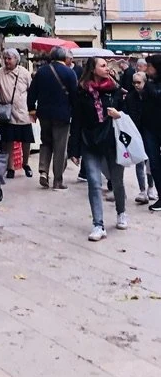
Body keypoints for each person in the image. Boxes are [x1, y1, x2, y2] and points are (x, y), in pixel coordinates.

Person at [69, 56, 127, 240]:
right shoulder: (81, 91)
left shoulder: (114, 88)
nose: (107, 68)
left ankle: (121, 212)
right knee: (94, 183)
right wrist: (74, 149)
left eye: (107, 65)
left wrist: (119, 114)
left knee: (116, 181)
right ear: (93, 69)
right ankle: (98, 224)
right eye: (103, 65)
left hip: (112, 141)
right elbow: (76, 121)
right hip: (90, 142)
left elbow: (126, 112)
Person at [28, 46, 78, 190]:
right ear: (64, 58)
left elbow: (32, 92)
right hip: (62, 115)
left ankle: (43, 171)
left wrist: (32, 109)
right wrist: (74, 113)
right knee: (60, 147)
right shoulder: (70, 73)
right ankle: (57, 180)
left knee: (46, 142)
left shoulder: (41, 71)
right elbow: (74, 96)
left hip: (44, 114)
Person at [0, 48, 34, 178]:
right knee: (8, 141)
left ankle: (26, 163)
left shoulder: (24, 73)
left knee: (26, 140)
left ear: (16, 59)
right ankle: (10, 167)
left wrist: (33, 110)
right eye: (5, 58)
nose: (7, 61)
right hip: (7, 113)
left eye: (9, 58)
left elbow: (31, 91)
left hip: (23, 112)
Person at [124, 71, 156, 205]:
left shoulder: (151, 96)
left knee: (150, 162)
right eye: (134, 82)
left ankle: (150, 187)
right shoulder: (130, 97)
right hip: (136, 133)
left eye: (139, 82)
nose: (137, 85)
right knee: (139, 162)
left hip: (149, 133)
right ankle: (142, 190)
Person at [141, 54, 161, 211]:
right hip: (150, 130)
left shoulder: (150, 85)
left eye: (150, 66)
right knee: (153, 164)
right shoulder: (148, 83)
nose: (147, 69)